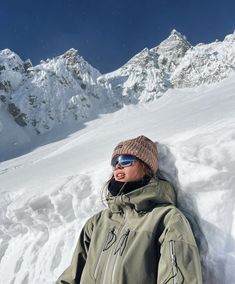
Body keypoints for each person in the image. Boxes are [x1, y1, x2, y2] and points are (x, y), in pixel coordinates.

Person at [56, 135, 202, 284]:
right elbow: (72, 275)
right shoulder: (97, 223)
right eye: (115, 162)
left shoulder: (166, 219)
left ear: (146, 167)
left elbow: (177, 277)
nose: (118, 166)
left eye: (125, 160)